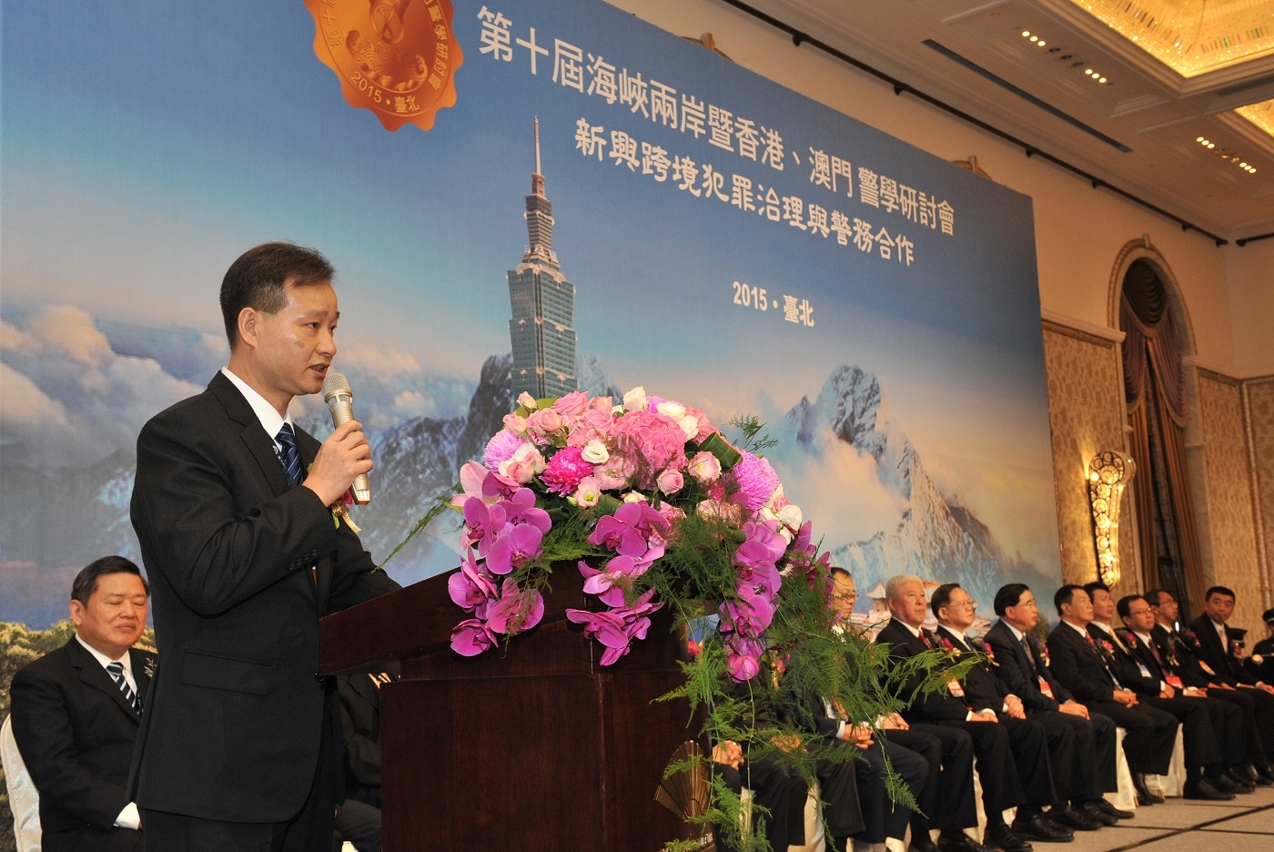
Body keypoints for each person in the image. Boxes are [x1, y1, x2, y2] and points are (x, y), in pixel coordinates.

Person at [129, 242, 401, 851]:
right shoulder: (181, 434)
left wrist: (472, 616)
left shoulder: (305, 451)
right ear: (250, 325)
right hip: (213, 773)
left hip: (307, 777)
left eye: (333, 328)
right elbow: (208, 571)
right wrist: (316, 493)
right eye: (310, 326)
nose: (328, 346)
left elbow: (354, 585)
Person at [875, 575, 1047, 852]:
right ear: (893, 604)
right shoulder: (891, 639)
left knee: (994, 730)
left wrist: (976, 709)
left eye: (922, 595)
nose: (921, 601)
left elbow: (951, 684)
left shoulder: (925, 637)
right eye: (912, 596)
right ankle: (960, 831)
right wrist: (967, 716)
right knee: (973, 736)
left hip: (943, 714)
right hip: (919, 718)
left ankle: (996, 823)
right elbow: (915, 696)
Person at [830, 569, 985, 852]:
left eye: (852, 595)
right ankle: (913, 838)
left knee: (962, 739)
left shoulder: (853, 637)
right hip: (885, 720)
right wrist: (876, 717)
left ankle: (942, 833)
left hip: (880, 719)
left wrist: (884, 712)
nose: (849, 601)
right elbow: (909, 694)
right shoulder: (885, 638)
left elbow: (870, 691)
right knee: (929, 744)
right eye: (841, 595)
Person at [9, 556, 154, 852]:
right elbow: (55, 769)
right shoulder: (42, 679)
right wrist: (134, 815)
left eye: (139, 602)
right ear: (77, 611)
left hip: (166, 821)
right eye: (115, 603)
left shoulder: (157, 668)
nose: (130, 612)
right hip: (95, 831)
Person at [929, 584, 1083, 836]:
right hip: (975, 713)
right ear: (943, 613)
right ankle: (1000, 822)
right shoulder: (939, 645)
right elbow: (963, 687)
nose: (970, 608)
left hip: (994, 709)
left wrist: (1009, 696)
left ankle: (1031, 813)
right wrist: (995, 706)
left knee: (1031, 730)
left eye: (971, 604)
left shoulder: (971, 641)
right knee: (1017, 731)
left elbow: (995, 679)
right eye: (964, 604)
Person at [980, 584, 1127, 828]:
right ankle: (1061, 805)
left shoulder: (1024, 637)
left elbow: (1048, 679)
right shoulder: (998, 640)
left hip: (1043, 704)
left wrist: (1068, 700)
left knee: (1100, 722)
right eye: (1028, 604)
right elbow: (1021, 689)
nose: (1035, 610)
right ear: (1010, 610)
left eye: (1035, 603)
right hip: (1027, 709)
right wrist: (1059, 709)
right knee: (1067, 728)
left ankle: (1090, 798)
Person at [1044, 585, 1177, 807]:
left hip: (1109, 696)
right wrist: (1112, 695)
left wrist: (1123, 692)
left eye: (1089, 600)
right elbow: (1073, 681)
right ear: (1066, 607)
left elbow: (1111, 671)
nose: (1089, 605)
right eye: (1084, 601)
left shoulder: (1087, 635)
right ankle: (1134, 776)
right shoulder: (1060, 638)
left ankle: (1146, 771)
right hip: (1090, 701)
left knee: (1166, 720)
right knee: (1143, 723)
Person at [1113, 594, 1242, 800]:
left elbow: (1173, 672)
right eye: (1140, 612)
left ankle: (1215, 771)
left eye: (1148, 610)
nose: (1148, 615)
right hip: (1147, 696)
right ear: (1127, 620)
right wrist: (1168, 688)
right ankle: (1194, 780)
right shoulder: (1125, 642)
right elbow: (1133, 677)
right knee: (1197, 708)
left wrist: (1185, 691)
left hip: (1169, 692)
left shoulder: (1157, 640)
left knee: (1216, 706)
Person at [1151, 588, 1274, 785]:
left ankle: (1263, 758)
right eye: (1217, 602)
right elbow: (1185, 669)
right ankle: (1236, 764)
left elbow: (1206, 666)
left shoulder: (1180, 633)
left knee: (1263, 697)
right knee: (1239, 701)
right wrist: (1213, 684)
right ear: (1206, 604)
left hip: (1205, 681)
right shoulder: (1193, 629)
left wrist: (1251, 683)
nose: (1222, 608)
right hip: (1189, 686)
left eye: (1227, 604)